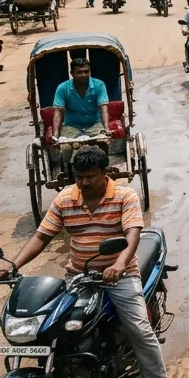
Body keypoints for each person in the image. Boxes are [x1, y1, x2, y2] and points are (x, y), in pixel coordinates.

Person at [1, 146, 167, 378]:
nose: (84, 182)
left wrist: (119, 265)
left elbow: (132, 235)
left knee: (139, 329)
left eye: (91, 177)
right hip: (78, 276)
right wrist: (13, 265)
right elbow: (41, 236)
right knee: (56, 328)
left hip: (120, 276)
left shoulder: (125, 196)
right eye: (79, 177)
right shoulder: (65, 198)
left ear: (105, 173)